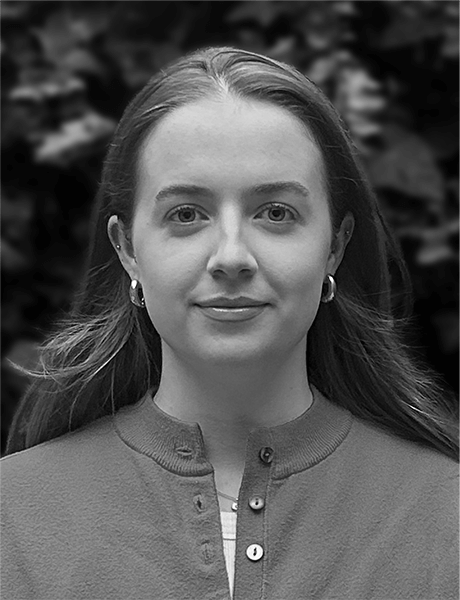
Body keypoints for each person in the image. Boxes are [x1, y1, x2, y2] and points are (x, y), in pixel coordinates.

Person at [1, 46, 460, 600]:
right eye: (186, 214)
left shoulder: (444, 513)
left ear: (335, 247)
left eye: (276, 213)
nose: (232, 257)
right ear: (128, 250)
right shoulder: (12, 520)